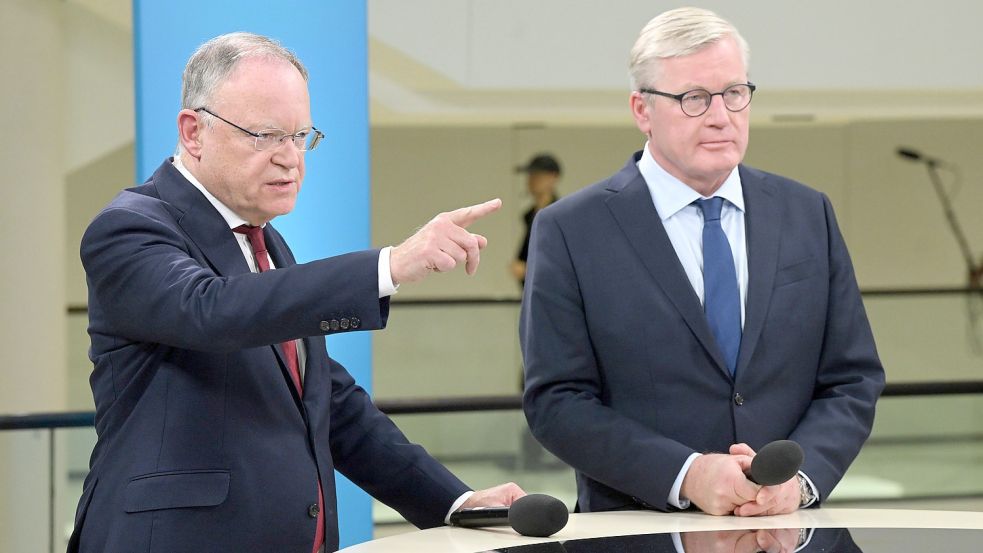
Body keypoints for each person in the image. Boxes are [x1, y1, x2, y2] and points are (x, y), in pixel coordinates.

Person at [69, 32, 524, 553]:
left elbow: (330, 404)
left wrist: (455, 504)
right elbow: (210, 311)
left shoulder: (268, 244)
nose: (290, 159)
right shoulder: (129, 228)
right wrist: (389, 265)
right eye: (264, 136)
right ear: (193, 132)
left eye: (299, 136)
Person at [520, 7, 884, 518]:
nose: (721, 115)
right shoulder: (571, 230)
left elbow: (852, 377)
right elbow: (556, 402)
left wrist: (799, 481)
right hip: (635, 532)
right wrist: (687, 474)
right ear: (642, 110)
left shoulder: (807, 213)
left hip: (785, 529)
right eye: (693, 98)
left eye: (735, 93)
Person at [511, 154, 562, 288]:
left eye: (538, 175)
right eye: (530, 175)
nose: (531, 180)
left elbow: (562, 263)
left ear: (553, 177)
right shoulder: (529, 215)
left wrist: (529, 270)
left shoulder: (560, 215)